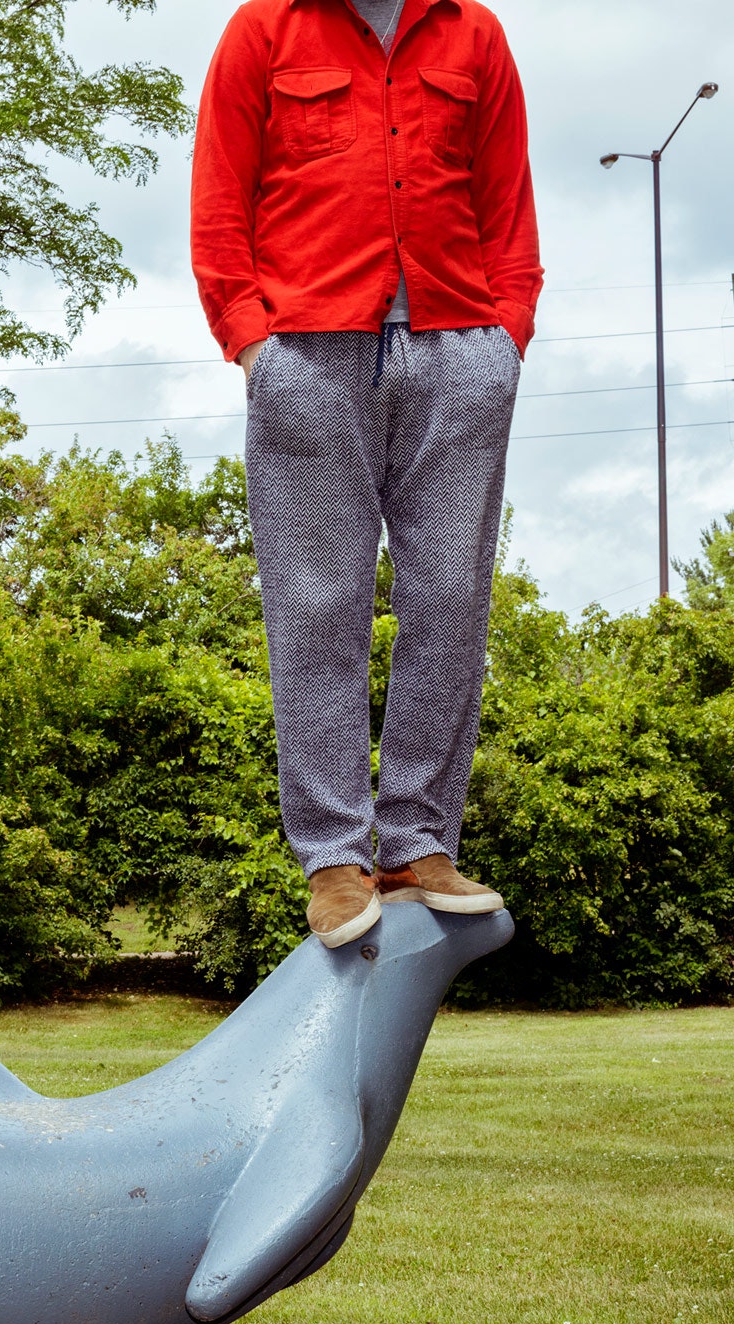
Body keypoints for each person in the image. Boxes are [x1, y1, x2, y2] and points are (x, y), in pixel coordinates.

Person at [191, 0, 542, 946]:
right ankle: (336, 860)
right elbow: (221, 200)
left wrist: (505, 340)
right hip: (306, 352)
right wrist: (251, 343)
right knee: (315, 607)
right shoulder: (263, 29)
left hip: (458, 345)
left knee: (452, 598)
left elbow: (507, 204)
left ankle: (419, 842)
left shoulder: (476, 33)